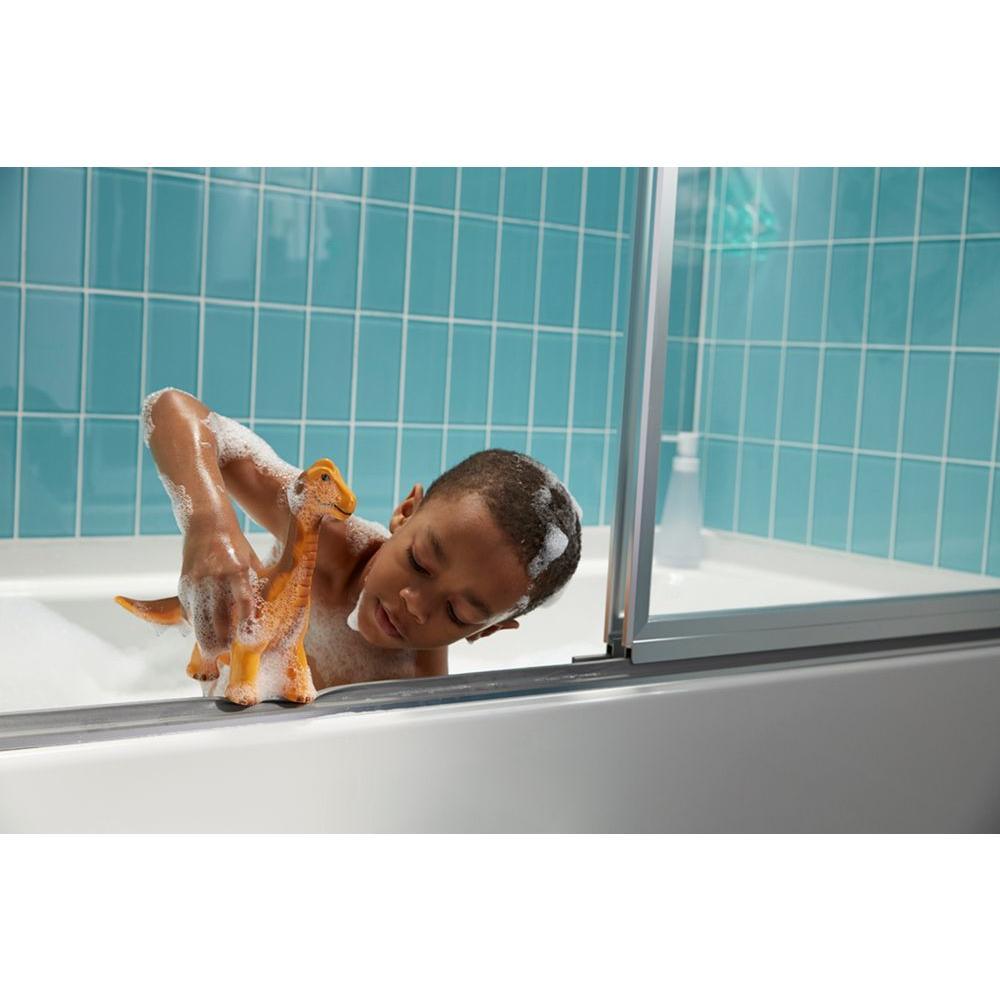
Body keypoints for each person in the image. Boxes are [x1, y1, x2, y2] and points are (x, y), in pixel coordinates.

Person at [142, 388, 583, 693]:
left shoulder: (422, 683)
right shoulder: (324, 537)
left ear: (486, 631)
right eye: (420, 562)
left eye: (458, 613)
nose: (415, 604)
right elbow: (173, 411)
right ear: (405, 514)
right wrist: (210, 528)